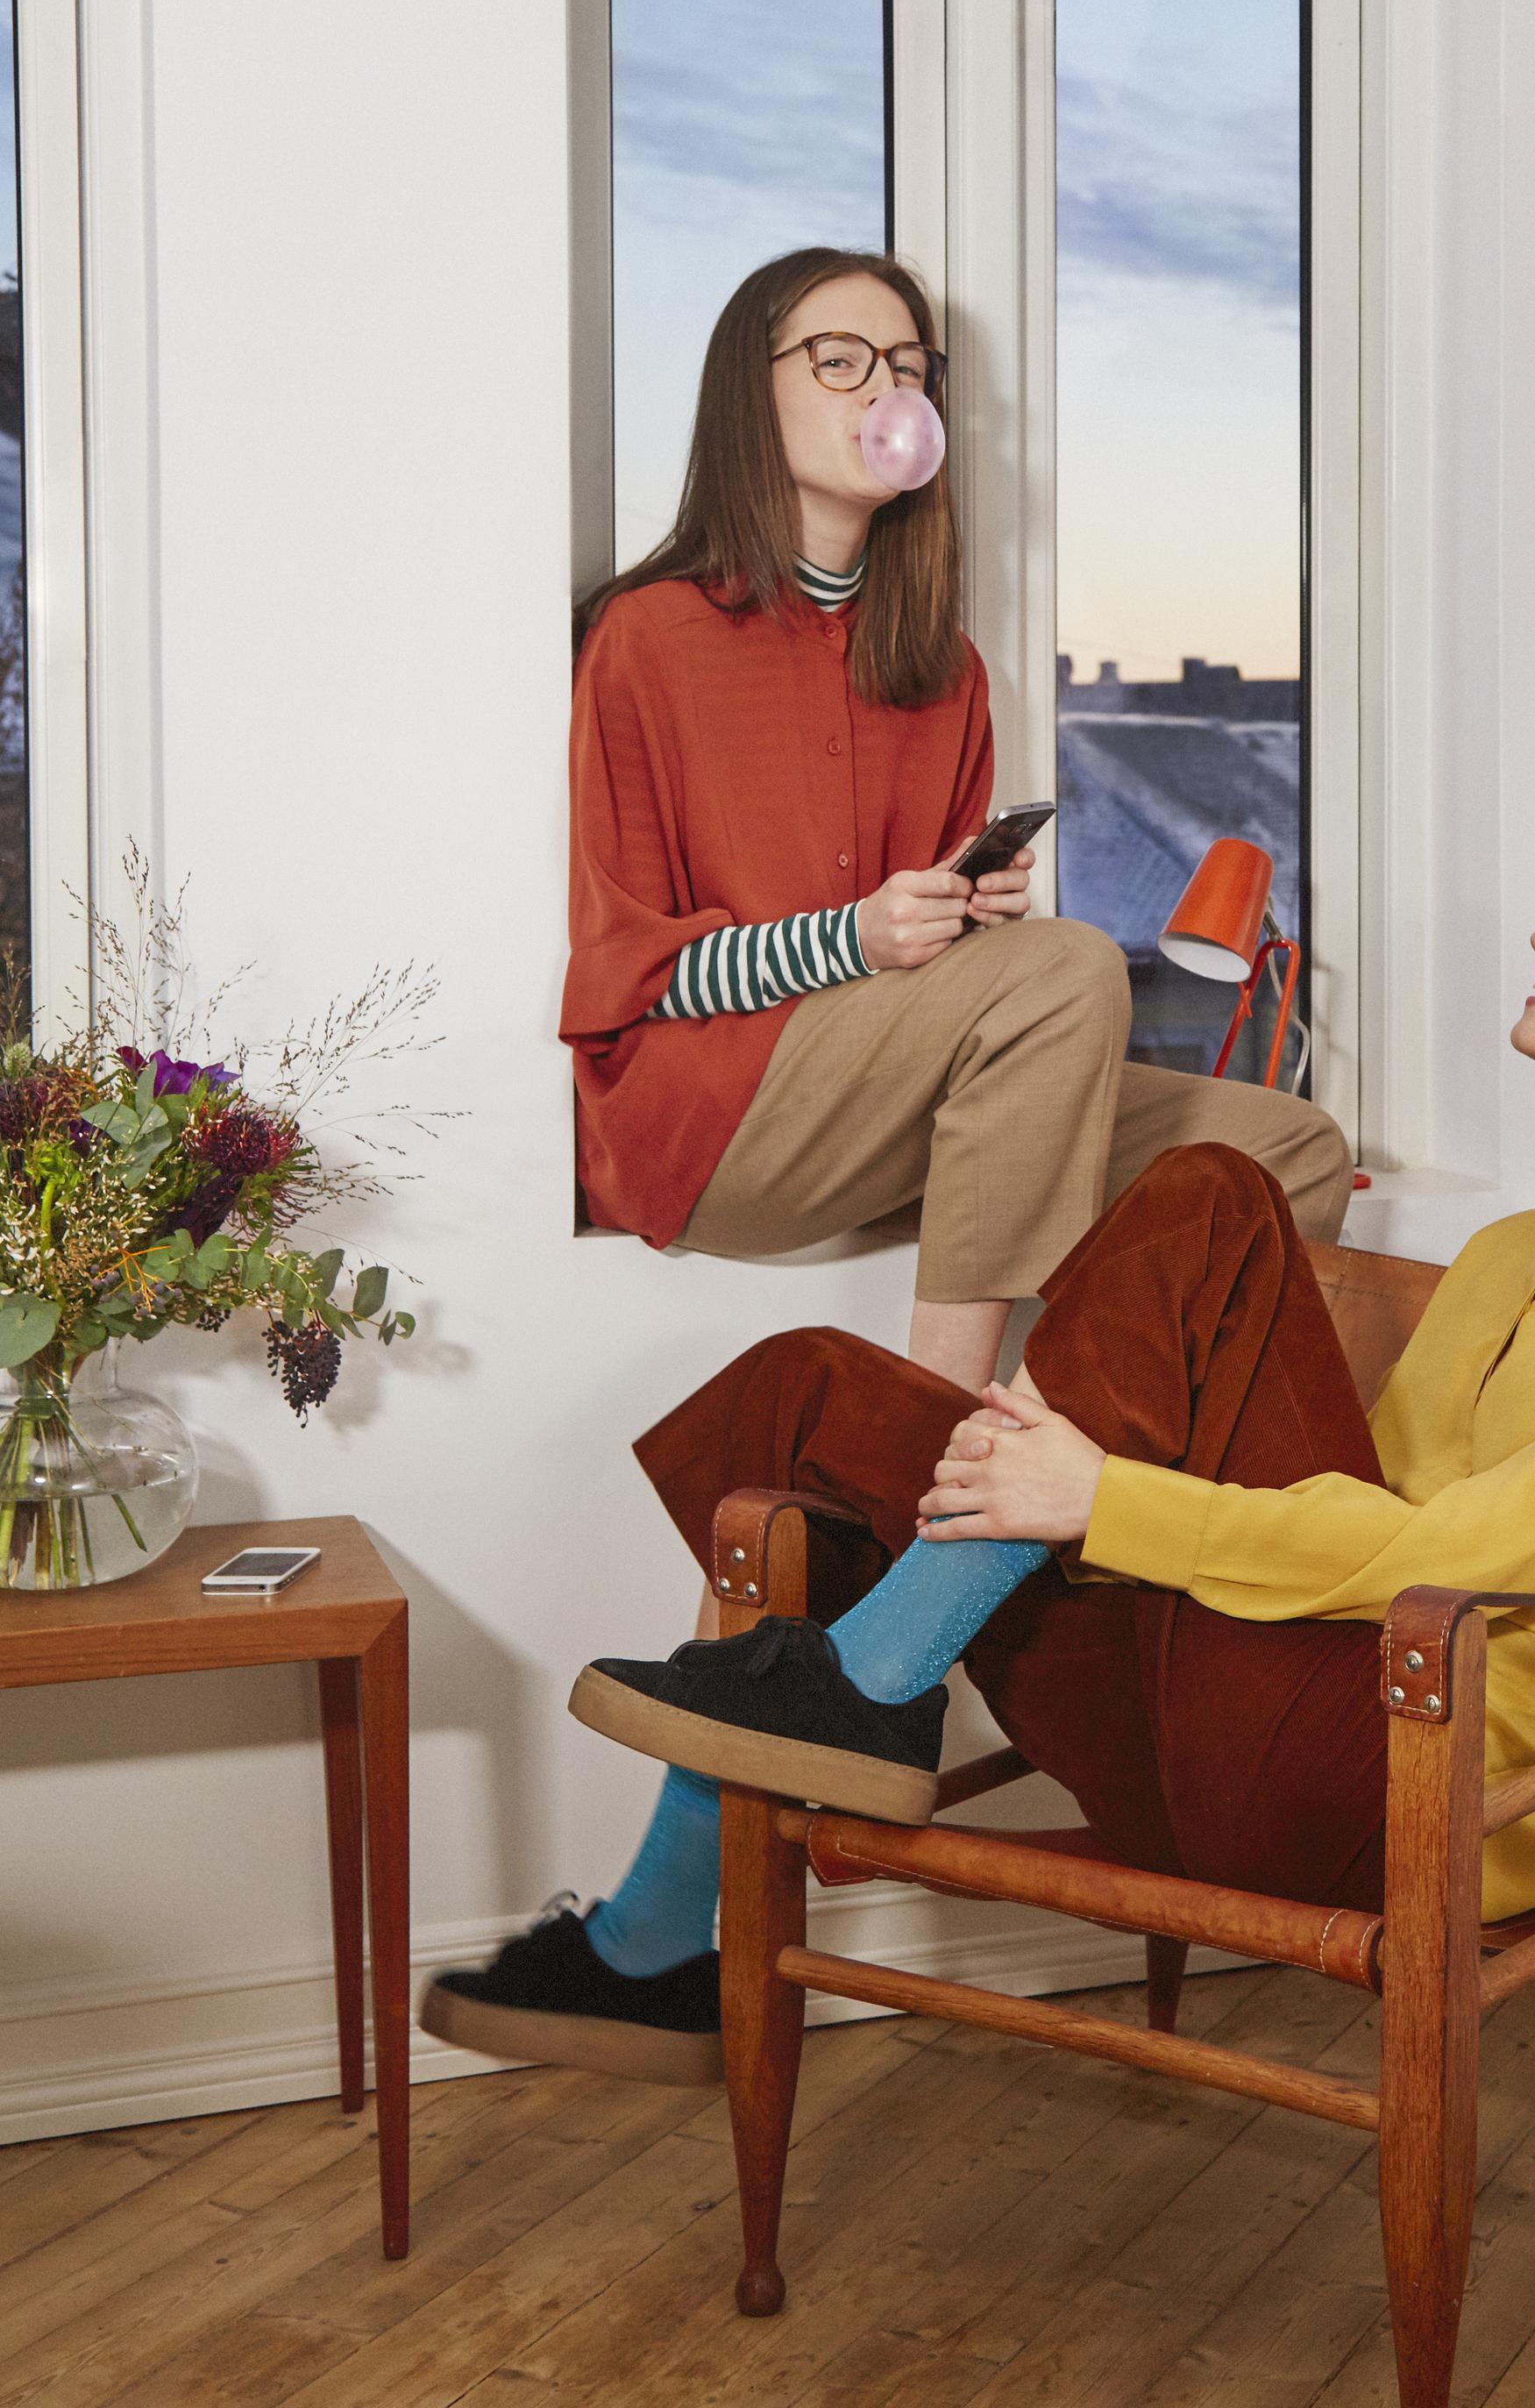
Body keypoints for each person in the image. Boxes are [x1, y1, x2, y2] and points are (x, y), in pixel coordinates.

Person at [425, 765, 1535, 2083]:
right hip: (1247, 1718)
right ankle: (662, 1936)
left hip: (1427, 1776)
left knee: (1214, 1191)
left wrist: (1107, 1504)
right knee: (803, 1392)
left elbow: (1481, 1551)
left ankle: (866, 1686)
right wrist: (1101, 1492)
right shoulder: (1509, 1252)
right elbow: (1354, 1489)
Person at [418, 243, 1352, 2079]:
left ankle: (910, 1623)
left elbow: (988, 1000)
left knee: (1285, 1146)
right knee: (1071, 968)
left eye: (903, 359)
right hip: (713, 1105)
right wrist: (869, 942)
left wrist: (965, 925)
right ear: (748, 388)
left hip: (907, 1099)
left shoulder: (950, 672)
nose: (875, 385)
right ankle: (942, 1507)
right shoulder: (652, 637)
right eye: (832, 353)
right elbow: (626, 971)